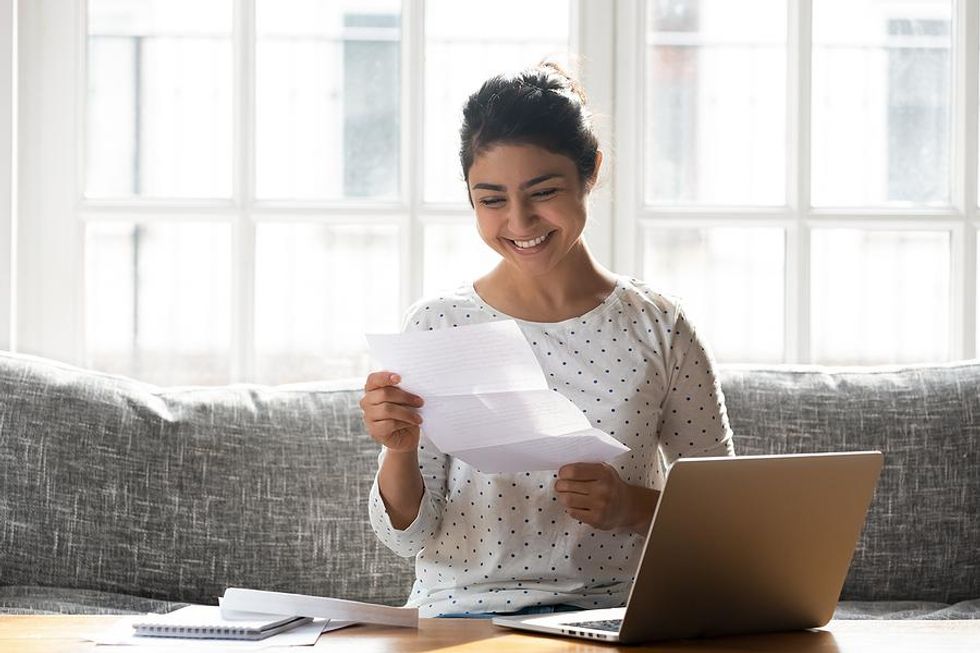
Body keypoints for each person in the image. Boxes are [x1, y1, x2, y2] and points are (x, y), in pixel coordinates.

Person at [360, 62, 735, 618]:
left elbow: (728, 520)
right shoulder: (438, 324)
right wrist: (399, 447)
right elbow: (407, 538)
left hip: (613, 615)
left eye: (543, 191)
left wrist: (633, 507)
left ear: (590, 173)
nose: (519, 221)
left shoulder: (660, 325)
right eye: (491, 200)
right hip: (464, 615)